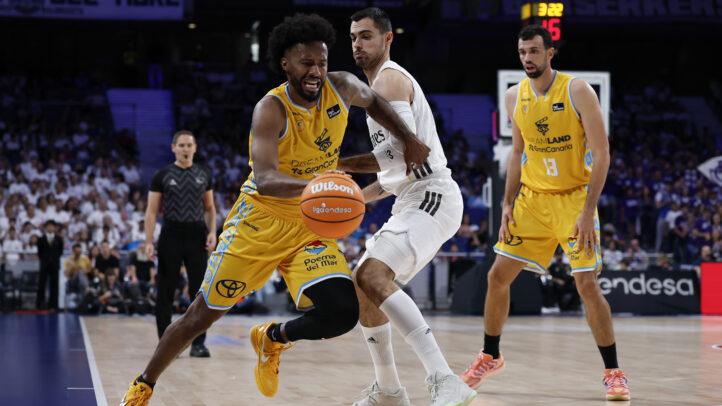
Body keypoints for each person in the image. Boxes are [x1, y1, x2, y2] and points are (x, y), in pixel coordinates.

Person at [120, 13, 430, 405]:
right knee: (198, 317)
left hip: (308, 226)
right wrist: (323, 187)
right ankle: (144, 384)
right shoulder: (271, 108)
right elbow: (266, 178)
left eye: (321, 62)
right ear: (286, 63)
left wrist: (409, 137)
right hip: (259, 222)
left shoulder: (343, 86)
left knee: (341, 312)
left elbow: (376, 103)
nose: (316, 71)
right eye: (306, 63)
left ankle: (272, 338)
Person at [459, 25, 631, 401]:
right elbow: (517, 152)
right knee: (496, 277)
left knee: (586, 285)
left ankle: (614, 372)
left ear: (550, 53)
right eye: (522, 52)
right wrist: (507, 203)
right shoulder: (513, 96)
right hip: (532, 201)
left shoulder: (577, 90)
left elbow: (603, 154)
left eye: (534, 51)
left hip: (573, 200)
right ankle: (490, 355)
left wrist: (588, 210)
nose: (527, 58)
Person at [340, 8, 475, 406]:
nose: (358, 44)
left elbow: (402, 155)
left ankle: (445, 378)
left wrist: (338, 164)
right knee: (363, 283)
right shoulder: (374, 90)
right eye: (353, 37)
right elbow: (393, 175)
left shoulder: (389, 79)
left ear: (387, 39)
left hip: (432, 194)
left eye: (366, 36)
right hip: (411, 197)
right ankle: (388, 390)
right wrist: (351, 199)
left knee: (373, 274)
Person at [143, 130, 217, 358]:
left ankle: (198, 344)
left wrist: (212, 232)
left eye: (189, 145)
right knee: (165, 291)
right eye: (181, 145)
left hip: (197, 235)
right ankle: (165, 344)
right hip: (171, 235)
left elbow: (209, 208)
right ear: (173, 148)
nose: (185, 149)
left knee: (200, 293)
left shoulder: (204, 173)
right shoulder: (162, 175)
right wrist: (148, 241)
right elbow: (151, 211)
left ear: (195, 148)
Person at [36, 220, 63, 311]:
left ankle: (53, 305)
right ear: (46, 228)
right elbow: (39, 252)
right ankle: (40, 304)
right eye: (48, 226)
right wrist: (45, 259)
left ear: (55, 228)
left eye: (52, 226)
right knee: (41, 284)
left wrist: (54, 259)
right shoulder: (41, 239)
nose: (50, 228)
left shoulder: (59, 239)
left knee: (54, 285)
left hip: (54, 264)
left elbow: (60, 252)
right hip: (44, 264)